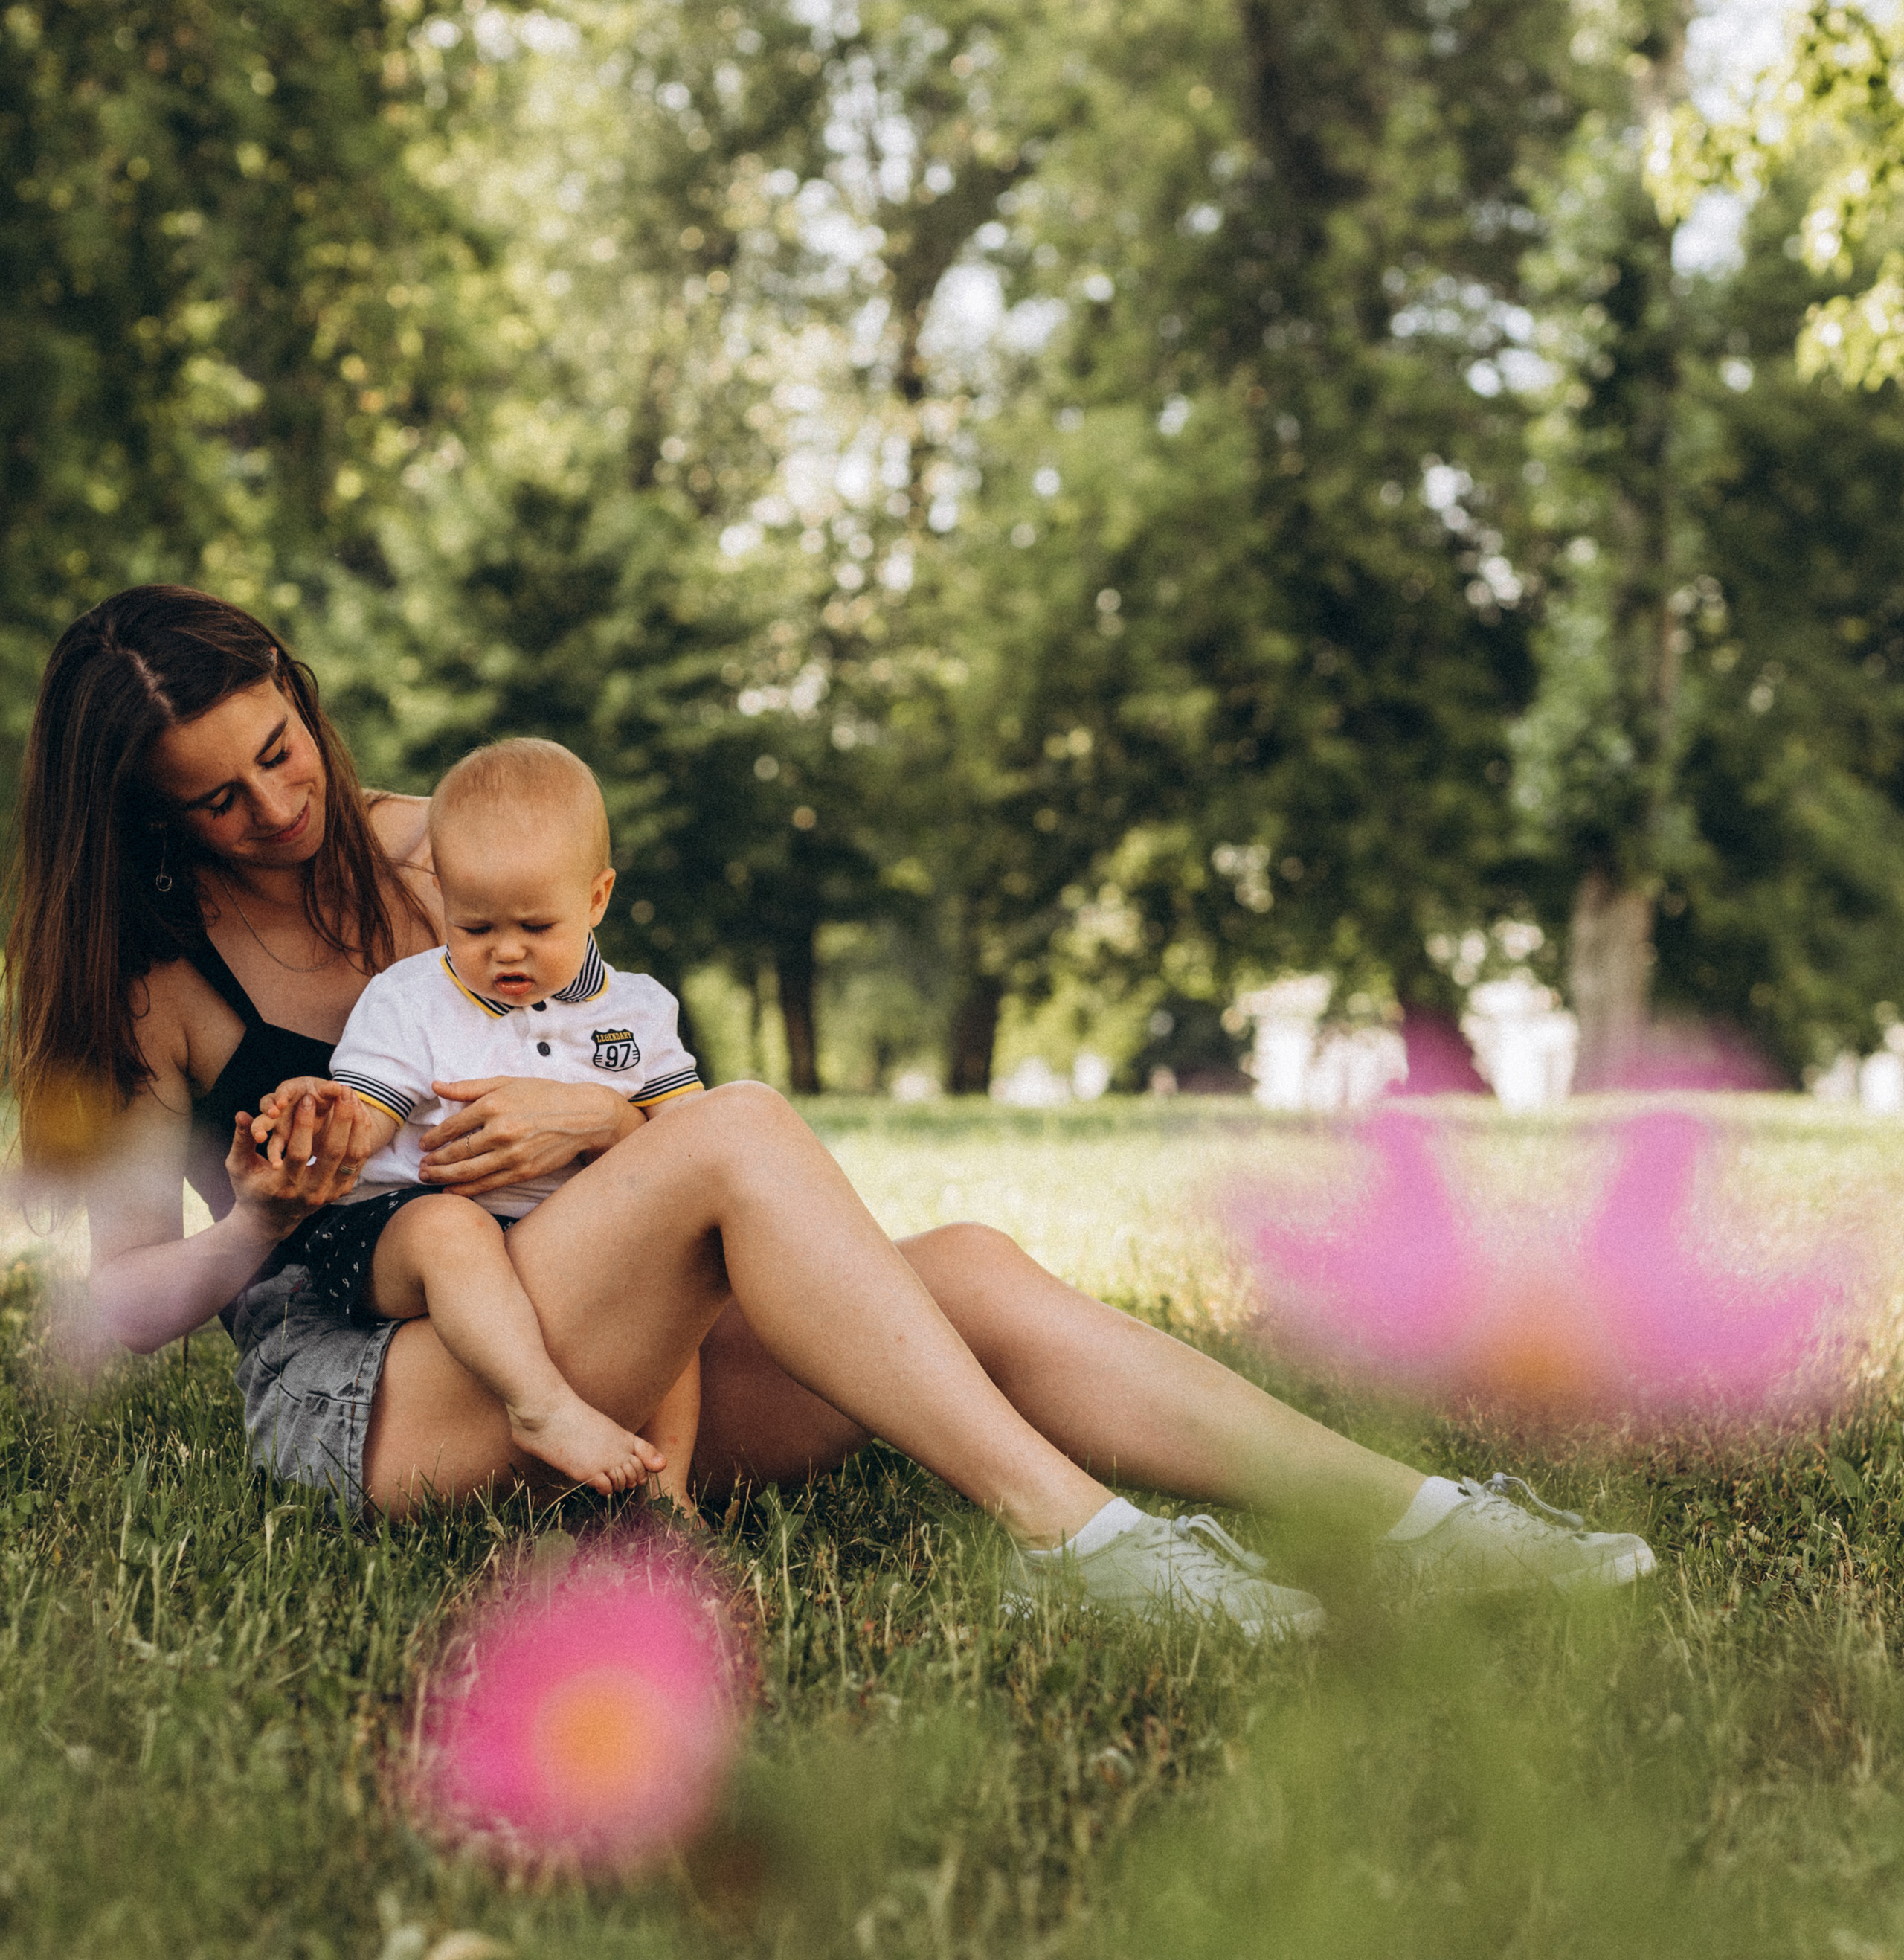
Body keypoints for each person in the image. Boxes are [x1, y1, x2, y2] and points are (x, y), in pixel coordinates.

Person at [2, 585, 1656, 1631]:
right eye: (216, 800)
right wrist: (261, 1218)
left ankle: (1418, 1522)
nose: (277, 807)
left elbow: (631, 1085)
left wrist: (599, 1130)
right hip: (384, 1394)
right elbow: (122, 1309)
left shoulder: (457, 848)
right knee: (737, 1129)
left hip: (598, 1327)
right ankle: (1083, 1548)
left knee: (971, 1266)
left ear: (300, 696)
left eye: (281, 750)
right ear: (141, 816)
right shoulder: (149, 987)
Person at [248, 736, 705, 1506]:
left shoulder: (638, 1011)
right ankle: (540, 1408)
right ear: (445, 900)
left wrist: (623, 1127)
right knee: (450, 1229)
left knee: (676, 1281)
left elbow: (693, 1139)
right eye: (476, 927)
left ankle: (670, 1496)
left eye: (536, 926)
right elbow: (368, 1117)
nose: (507, 953)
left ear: (596, 899)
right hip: (400, 1231)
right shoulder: (412, 998)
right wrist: (322, 1118)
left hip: (565, 1237)